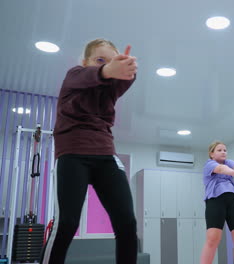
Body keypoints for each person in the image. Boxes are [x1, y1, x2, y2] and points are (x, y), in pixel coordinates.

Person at [41, 38, 138, 264]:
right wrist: (107, 69)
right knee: (67, 222)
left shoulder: (110, 90)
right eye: (99, 60)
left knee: (127, 222)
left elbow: (124, 80)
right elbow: (89, 76)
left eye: (111, 60)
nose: (105, 64)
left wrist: (128, 69)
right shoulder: (74, 77)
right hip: (73, 154)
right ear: (85, 62)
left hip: (106, 155)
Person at [200, 141, 234, 264]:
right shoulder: (209, 164)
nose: (223, 152)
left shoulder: (228, 162)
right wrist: (233, 173)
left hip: (233, 201)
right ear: (211, 154)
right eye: (219, 150)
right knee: (213, 239)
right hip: (215, 201)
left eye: (225, 150)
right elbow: (221, 169)